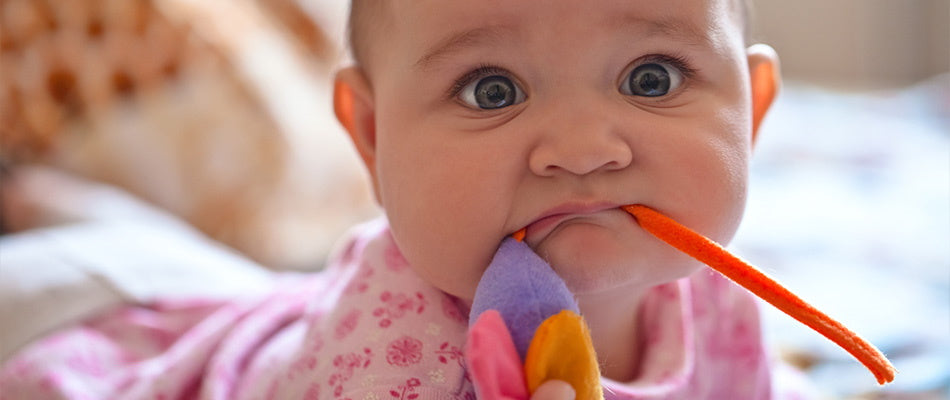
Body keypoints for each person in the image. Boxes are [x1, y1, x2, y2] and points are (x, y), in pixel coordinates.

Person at [1, 0, 794, 399]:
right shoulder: (391, 362)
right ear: (372, 139)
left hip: (259, 298)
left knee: (216, 278)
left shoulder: (719, 293)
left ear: (752, 113)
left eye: (650, 79)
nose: (583, 149)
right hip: (96, 328)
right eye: (492, 90)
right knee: (103, 275)